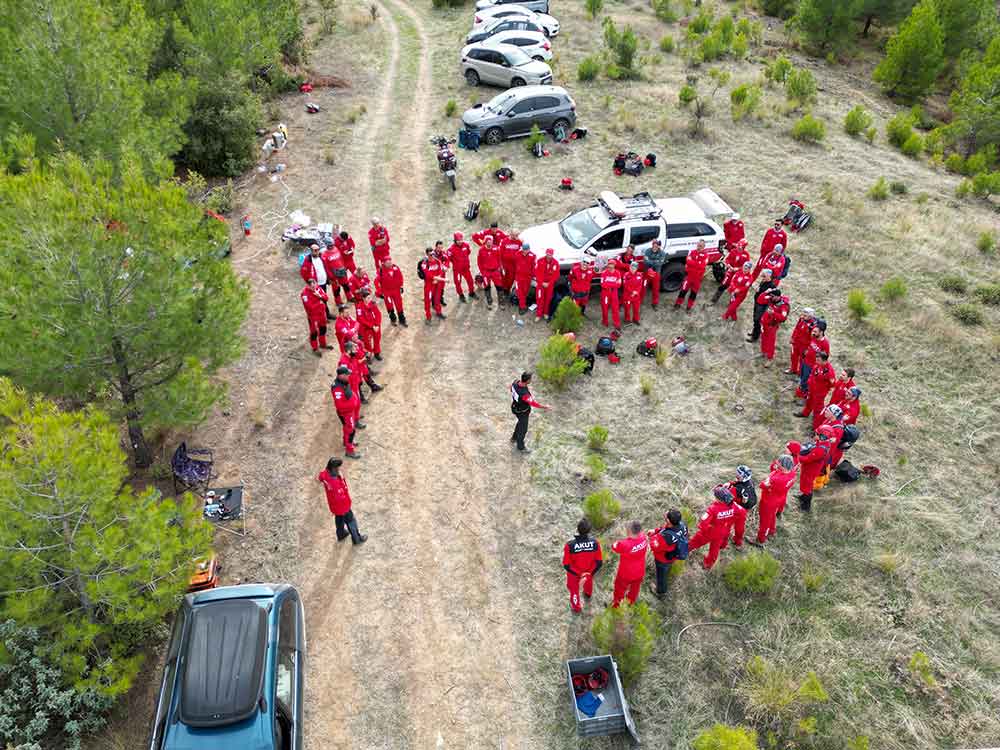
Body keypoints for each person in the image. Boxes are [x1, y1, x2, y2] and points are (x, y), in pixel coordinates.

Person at [689, 485, 746, 570]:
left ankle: (684, 551)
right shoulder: (734, 506)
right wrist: (730, 521)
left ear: (719, 499)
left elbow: (703, 523)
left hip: (710, 531)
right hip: (723, 531)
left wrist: (704, 530)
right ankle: (708, 564)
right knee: (714, 549)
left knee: (695, 542)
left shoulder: (713, 509)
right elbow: (742, 512)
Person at [318, 457, 366, 544]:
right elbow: (342, 494)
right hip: (343, 506)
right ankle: (357, 539)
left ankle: (341, 534)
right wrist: (342, 478)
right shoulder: (335, 483)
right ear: (333, 469)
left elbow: (320, 477)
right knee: (351, 521)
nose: (339, 470)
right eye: (338, 468)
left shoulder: (325, 474)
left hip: (334, 506)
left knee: (339, 518)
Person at [562, 518, 604, 613]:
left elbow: (567, 565)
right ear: (589, 530)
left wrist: (579, 574)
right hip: (589, 571)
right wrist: (589, 573)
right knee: (588, 582)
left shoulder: (570, 545)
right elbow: (599, 562)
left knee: (574, 591)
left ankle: (576, 608)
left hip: (574, 574)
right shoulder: (595, 543)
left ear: (577, 529)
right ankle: (588, 594)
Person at [756, 454, 797, 544]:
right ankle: (771, 531)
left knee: (764, 521)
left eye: (779, 461)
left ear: (783, 465)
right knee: (772, 515)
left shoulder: (777, 479)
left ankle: (761, 539)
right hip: (779, 498)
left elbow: (762, 485)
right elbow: (773, 473)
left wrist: (766, 481)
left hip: (768, 501)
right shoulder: (792, 473)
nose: (776, 462)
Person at [648, 509, 688, 598]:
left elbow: (654, 546)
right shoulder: (682, 525)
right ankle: (667, 571)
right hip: (673, 555)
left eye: (667, 515)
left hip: (663, 559)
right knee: (667, 567)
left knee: (661, 575)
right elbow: (665, 528)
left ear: (669, 521)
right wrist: (655, 531)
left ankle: (660, 592)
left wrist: (653, 537)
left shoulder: (665, 538)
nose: (665, 514)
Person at [611, 520, 649, 607]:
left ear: (629, 531)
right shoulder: (643, 537)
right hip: (640, 571)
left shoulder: (624, 544)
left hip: (625, 574)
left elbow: (614, 547)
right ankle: (630, 603)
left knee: (619, 589)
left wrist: (616, 543)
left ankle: (616, 606)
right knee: (634, 589)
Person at [510, 371, 550, 453]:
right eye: (530, 379)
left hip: (514, 407)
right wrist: (545, 407)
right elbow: (533, 403)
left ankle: (514, 438)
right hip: (522, 412)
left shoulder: (515, 382)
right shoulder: (525, 394)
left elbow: (511, 388)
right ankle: (520, 447)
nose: (531, 380)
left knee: (520, 423)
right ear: (528, 380)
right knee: (523, 430)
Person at [797, 428, 834, 512]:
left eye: (817, 434)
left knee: (807, 486)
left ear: (822, 437)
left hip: (811, 469)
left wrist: (797, 457)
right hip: (810, 467)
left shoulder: (820, 449)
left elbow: (807, 459)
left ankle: (805, 506)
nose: (815, 434)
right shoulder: (823, 443)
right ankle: (803, 496)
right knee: (805, 483)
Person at [331, 366, 362, 459]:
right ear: (341, 375)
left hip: (349, 412)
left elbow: (348, 393)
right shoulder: (337, 388)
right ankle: (349, 451)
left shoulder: (343, 381)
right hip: (346, 413)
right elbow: (340, 405)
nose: (348, 376)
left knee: (347, 428)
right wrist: (352, 406)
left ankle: (346, 442)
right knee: (351, 431)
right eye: (347, 374)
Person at [799, 351, 836, 428]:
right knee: (809, 401)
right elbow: (813, 373)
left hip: (820, 392)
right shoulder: (817, 365)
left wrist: (825, 389)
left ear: (824, 360)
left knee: (817, 409)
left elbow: (832, 383)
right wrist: (809, 382)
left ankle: (816, 426)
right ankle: (805, 413)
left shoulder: (829, 371)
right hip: (812, 388)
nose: (816, 361)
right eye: (816, 359)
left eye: (818, 360)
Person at [674, 240, 710, 313]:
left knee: (693, 293)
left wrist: (692, 263)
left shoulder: (706, 255)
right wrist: (697, 263)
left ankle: (689, 307)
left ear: (704, 246)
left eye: (701, 245)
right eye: (698, 245)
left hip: (698, 278)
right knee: (683, 291)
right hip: (689, 276)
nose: (699, 246)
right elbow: (687, 261)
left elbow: (702, 265)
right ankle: (678, 303)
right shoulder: (692, 252)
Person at [797, 319, 830, 398]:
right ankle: (801, 386)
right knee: (802, 376)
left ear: (821, 332)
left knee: (807, 381)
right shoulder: (814, 337)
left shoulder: (825, 343)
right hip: (805, 361)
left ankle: (804, 394)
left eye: (815, 331)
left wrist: (817, 366)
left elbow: (825, 358)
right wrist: (806, 351)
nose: (813, 332)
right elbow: (810, 345)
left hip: (811, 366)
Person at [301, 278, 332, 356]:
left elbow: (326, 298)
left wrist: (319, 296)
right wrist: (320, 302)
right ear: (308, 286)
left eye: (315, 285)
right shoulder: (304, 294)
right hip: (313, 316)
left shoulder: (318, 288)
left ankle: (323, 344)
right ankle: (315, 348)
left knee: (323, 328)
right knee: (314, 332)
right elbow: (309, 307)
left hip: (321, 313)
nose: (314, 288)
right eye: (312, 287)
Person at [712, 238, 750, 304]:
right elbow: (727, 260)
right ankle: (714, 299)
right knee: (723, 284)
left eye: (741, 247)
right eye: (738, 245)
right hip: (730, 271)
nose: (739, 247)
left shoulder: (746, 255)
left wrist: (738, 269)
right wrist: (729, 265)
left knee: (735, 289)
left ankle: (732, 303)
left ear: (744, 247)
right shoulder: (733, 251)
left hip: (738, 274)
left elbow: (746, 266)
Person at [300, 243, 333, 319]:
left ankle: (326, 315)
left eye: (318, 249)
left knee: (324, 299)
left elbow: (326, 267)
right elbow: (303, 272)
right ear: (311, 251)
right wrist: (310, 283)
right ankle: (322, 317)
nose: (317, 251)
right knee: (317, 301)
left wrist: (329, 278)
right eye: (315, 250)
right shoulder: (308, 261)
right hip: (316, 285)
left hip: (323, 282)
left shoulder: (321, 256)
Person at [760, 292, 790, 365]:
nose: (771, 297)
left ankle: (770, 358)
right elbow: (760, 300)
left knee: (770, 342)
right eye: (771, 296)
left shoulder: (784, 306)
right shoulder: (771, 299)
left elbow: (783, 318)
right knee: (763, 338)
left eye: (773, 296)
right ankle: (764, 352)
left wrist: (773, 313)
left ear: (778, 296)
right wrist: (766, 292)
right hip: (764, 323)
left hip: (772, 326)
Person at [747, 269, 777, 342]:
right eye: (762, 275)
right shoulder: (763, 281)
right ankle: (754, 331)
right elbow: (760, 289)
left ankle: (755, 336)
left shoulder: (772, 286)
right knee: (755, 318)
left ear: (769, 276)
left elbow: (772, 297)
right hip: (757, 302)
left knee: (757, 320)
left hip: (762, 306)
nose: (762, 277)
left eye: (764, 276)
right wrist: (757, 289)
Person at [419, 247, 446, 324]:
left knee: (437, 298)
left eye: (433, 254)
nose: (432, 256)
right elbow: (428, 275)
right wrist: (436, 279)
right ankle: (428, 316)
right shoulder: (424, 264)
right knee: (428, 300)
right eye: (430, 254)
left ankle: (439, 312)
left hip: (437, 283)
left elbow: (441, 271)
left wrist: (437, 279)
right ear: (427, 255)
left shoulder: (438, 261)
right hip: (429, 285)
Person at [377, 257, 407, 327]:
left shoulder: (396, 268)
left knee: (399, 305)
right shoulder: (380, 271)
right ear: (384, 263)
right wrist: (380, 292)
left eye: (390, 262)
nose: (390, 264)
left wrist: (401, 286)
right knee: (389, 306)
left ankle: (402, 319)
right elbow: (377, 282)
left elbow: (400, 277)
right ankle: (393, 319)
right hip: (387, 292)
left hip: (396, 290)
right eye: (387, 263)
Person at [534, 247, 561, 322]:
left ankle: (545, 313)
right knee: (540, 299)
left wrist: (549, 283)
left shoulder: (555, 263)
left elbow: (556, 275)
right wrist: (541, 282)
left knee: (548, 299)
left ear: (552, 255)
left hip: (549, 285)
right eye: (548, 254)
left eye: (550, 255)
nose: (549, 256)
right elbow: (536, 273)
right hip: (540, 284)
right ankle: (539, 314)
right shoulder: (540, 261)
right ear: (546, 253)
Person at [448, 232, 476, 302]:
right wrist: (456, 263)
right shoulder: (451, 249)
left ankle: (471, 293)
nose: (460, 241)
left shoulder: (466, 245)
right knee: (457, 282)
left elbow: (468, 252)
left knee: (470, 281)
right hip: (457, 270)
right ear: (455, 240)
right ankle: (461, 295)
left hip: (466, 268)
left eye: (461, 240)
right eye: (458, 240)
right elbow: (449, 258)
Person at [787, 308, 816, 376]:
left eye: (805, 315)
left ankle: (800, 373)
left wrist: (808, 348)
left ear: (810, 316)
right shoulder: (801, 319)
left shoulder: (813, 325)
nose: (803, 316)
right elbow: (796, 328)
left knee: (802, 360)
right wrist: (792, 338)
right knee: (793, 356)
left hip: (804, 345)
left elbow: (813, 339)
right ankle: (793, 369)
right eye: (803, 314)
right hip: (796, 342)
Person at [356, 288, 383, 360]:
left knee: (377, 339)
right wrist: (372, 326)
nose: (369, 299)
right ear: (363, 298)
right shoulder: (359, 307)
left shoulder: (373, 304)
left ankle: (377, 353)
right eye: (368, 298)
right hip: (366, 328)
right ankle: (369, 355)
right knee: (367, 342)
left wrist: (377, 325)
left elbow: (378, 314)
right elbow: (361, 319)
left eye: (370, 297)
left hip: (376, 326)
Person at [476, 235, 503, 307]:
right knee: (487, 287)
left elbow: (499, 259)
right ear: (485, 242)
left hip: (495, 271)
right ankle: (489, 301)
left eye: (491, 241)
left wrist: (500, 267)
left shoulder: (497, 248)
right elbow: (479, 262)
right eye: (488, 242)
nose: (490, 243)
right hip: (486, 272)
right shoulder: (481, 250)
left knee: (499, 286)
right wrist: (482, 272)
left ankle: (501, 302)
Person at [642, 239, 667, 308]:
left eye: (657, 245)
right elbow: (645, 262)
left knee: (656, 289)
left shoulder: (662, 253)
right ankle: (639, 300)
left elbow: (660, 263)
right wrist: (655, 261)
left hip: (656, 273)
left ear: (659, 246)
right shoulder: (647, 251)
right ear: (652, 245)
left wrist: (650, 261)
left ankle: (655, 303)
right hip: (647, 273)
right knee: (643, 286)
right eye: (654, 245)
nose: (655, 247)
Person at [600, 261, 623, 329]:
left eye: (612, 264)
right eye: (609, 264)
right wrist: (613, 284)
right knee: (604, 308)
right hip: (605, 293)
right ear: (608, 265)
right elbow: (602, 284)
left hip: (614, 293)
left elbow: (619, 284)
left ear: (614, 265)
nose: (610, 266)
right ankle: (605, 321)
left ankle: (617, 323)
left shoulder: (617, 273)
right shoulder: (604, 273)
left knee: (615, 308)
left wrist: (608, 284)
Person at [514, 243, 536, 314]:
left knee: (525, 292)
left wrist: (533, 276)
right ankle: (522, 306)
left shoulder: (532, 256)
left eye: (527, 250)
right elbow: (515, 264)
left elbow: (533, 267)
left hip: (527, 278)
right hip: (519, 277)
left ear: (529, 249)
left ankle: (522, 304)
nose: (525, 251)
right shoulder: (517, 254)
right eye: (524, 249)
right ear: (522, 249)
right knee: (519, 292)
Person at [499, 232, 522, 299]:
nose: (515, 237)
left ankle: (507, 289)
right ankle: (502, 289)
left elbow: (522, 251)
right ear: (511, 234)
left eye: (516, 235)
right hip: (505, 263)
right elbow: (500, 253)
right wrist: (501, 264)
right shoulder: (504, 241)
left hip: (514, 264)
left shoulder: (519, 242)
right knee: (504, 277)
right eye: (514, 235)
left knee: (511, 278)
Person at [433, 240, 450, 308]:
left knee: (442, 287)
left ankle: (441, 299)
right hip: (436, 274)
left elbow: (447, 260)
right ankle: (434, 302)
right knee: (435, 288)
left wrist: (446, 266)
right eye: (439, 247)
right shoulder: (432, 255)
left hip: (442, 274)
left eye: (441, 247)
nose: (440, 249)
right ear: (435, 247)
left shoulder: (443, 253)